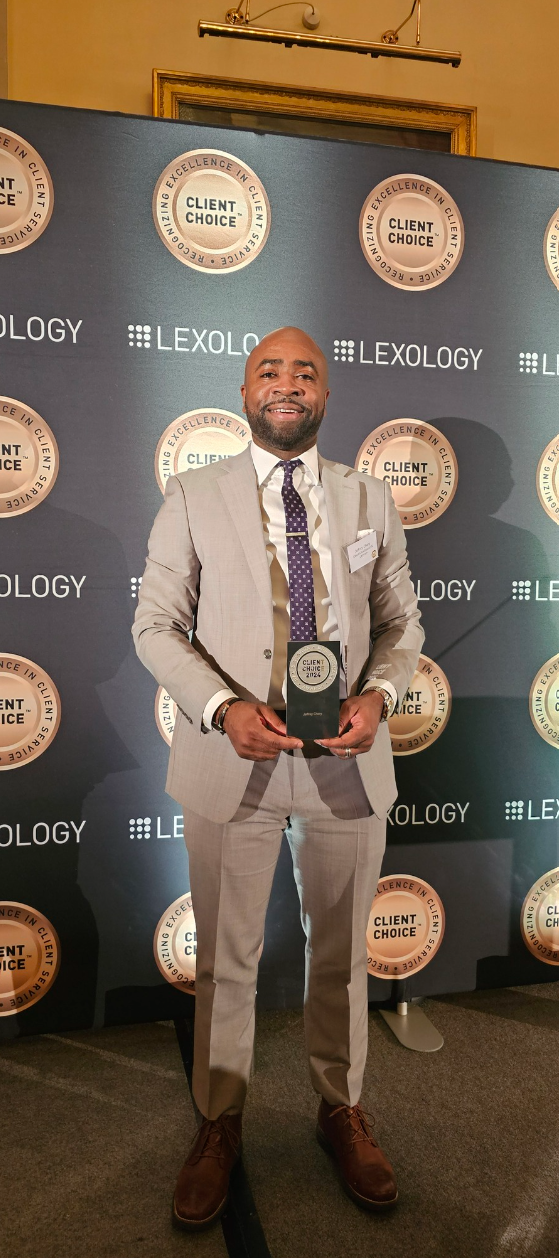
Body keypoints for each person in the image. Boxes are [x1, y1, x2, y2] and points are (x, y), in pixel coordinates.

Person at [133, 326, 423, 1230]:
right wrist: (223, 712)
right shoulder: (191, 494)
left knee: (340, 957)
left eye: (305, 373)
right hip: (234, 760)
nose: (287, 384)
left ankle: (340, 1110)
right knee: (226, 961)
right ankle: (220, 1121)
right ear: (245, 390)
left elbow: (400, 626)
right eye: (270, 371)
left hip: (345, 761)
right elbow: (153, 627)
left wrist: (378, 696)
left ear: (327, 395)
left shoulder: (370, 496)